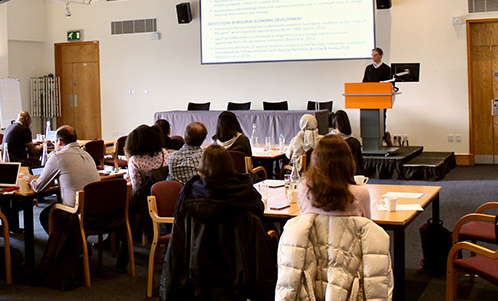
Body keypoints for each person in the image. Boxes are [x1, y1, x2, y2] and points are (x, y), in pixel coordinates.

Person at [160, 145, 275, 300]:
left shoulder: (189, 198)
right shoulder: (245, 196)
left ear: (202, 167)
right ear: (230, 166)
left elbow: (177, 247)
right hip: (237, 283)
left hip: (196, 281)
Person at [30, 125, 100, 234]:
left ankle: (68, 246)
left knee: (45, 215)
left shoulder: (58, 157)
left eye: (54, 142)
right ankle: (78, 243)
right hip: (96, 210)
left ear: (59, 141)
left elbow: (38, 187)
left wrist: (30, 180)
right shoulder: (87, 155)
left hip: (74, 212)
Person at [297, 135, 371, 218]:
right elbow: (367, 226)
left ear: (315, 161)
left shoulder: (304, 189)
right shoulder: (360, 194)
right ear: (348, 162)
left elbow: (303, 220)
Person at [125, 124, 169, 192]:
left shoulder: (134, 161)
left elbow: (136, 188)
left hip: (147, 197)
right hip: (166, 192)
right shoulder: (163, 152)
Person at [329, 110, 364, 175]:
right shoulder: (355, 142)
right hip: (354, 174)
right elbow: (361, 163)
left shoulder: (331, 142)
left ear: (335, 123)